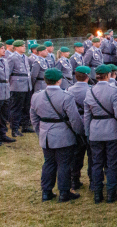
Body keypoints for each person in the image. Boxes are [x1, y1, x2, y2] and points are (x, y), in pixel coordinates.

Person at [30, 68, 83, 203]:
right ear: (59, 80)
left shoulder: (36, 96)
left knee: (48, 163)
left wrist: (40, 131)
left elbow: (34, 118)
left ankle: (46, 192)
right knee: (64, 164)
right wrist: (79, 133)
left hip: (46, 135)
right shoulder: (66, 96)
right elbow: (75, 119)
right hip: (63, 135)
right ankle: (64, 192)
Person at [84, 64, 117, 204]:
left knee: (96, 163)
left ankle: (97, 193)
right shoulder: (114, 91)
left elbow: (87, 115)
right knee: (112, 164)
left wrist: (87, 133)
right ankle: (111, 194)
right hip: (112, 131)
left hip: (95, 130)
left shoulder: (90, 91)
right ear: (108, 75)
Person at [8, 40, 33, 137]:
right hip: (17, 86)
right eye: (22, 46)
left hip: (27, 85)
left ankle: (25, 126)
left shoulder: (25, 57)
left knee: (27, 106)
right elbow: (8, 72)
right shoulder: (12, 57)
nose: (24, 47)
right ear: (16, 48)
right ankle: (14, 129)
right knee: (16, 108)